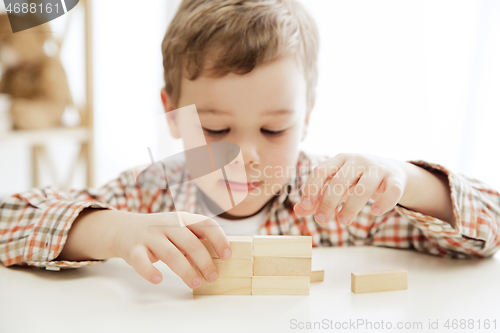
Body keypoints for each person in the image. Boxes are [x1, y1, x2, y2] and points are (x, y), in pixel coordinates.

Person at [1, 0, 499, 291]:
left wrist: (408, 180)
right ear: (171, 112)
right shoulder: (150, 194)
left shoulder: (332, 199)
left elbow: (490, 226)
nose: (246, 158)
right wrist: (113, 231)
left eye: (274, 130)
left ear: (305, 116)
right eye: (216, 130)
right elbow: (8, 220)